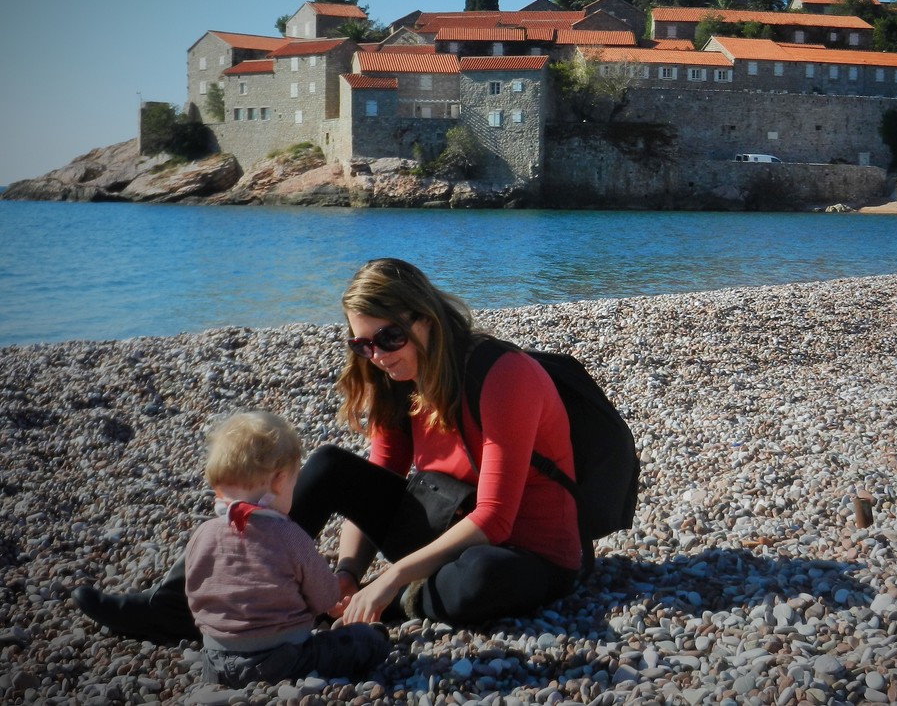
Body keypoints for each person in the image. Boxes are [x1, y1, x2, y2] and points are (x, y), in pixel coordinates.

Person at [73, 258, 580, 642]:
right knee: (330, 466)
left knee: (478, 580)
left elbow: (496, 519)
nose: (377, 355)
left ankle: (384, 604)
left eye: (389, 337)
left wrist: (391, 578)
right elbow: (372, 479)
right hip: (444, 527)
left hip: (525, 553)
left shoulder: (503, 375)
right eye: (363, 345)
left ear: (425, 318)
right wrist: (347, 572)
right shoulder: (397, 377)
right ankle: (177, 608)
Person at [184, 411, 389, 687]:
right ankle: (373, 638)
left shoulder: (203, 534)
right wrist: (331, 601)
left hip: (215, 658)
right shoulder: (288, 535)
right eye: (294, 483)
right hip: (282, 659)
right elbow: (325, 596)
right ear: (280, 481)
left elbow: (194, 589)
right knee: (363, 642)